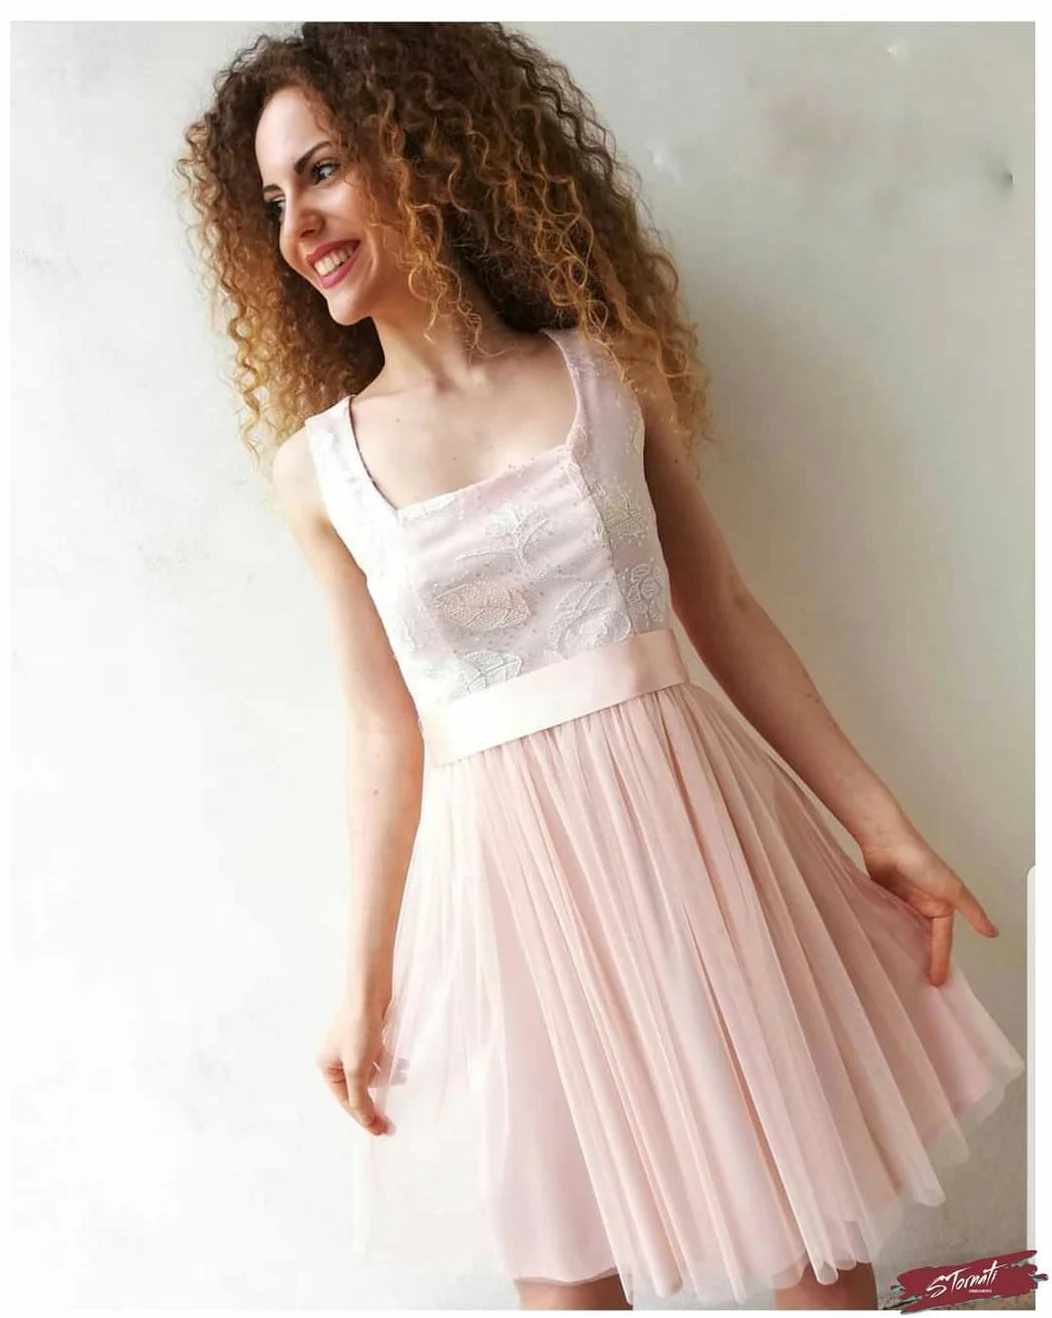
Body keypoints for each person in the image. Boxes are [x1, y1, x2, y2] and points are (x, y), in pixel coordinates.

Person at [176, 21, 1025, 1312]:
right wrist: (364, 984)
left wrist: (880, 825)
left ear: (423, 153)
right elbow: (383, 730)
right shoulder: (319, 472)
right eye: (273, 198)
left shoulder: (604, 373)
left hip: (702, 856)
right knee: (569, 1281)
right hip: (511, 903)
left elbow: (722, 608)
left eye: (324, 168)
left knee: (816, 1257)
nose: (298, 222)